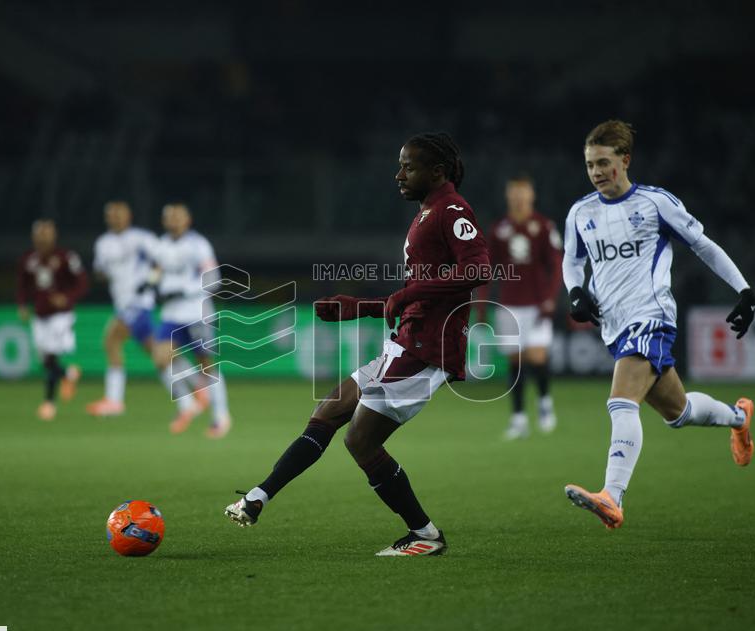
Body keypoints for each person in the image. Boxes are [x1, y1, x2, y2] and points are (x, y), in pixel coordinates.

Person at [224, 133, 489, 556]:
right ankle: (258, 497)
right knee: (327, 412)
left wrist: (403, 298)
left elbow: (479, 269)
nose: (398, 174)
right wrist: (362, 307)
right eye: (400, 165)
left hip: (428, 350)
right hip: (406, 341)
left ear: (436, 172)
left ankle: (424, 535)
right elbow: (419, 293)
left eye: (408, 166)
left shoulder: (452, 209)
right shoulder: (427, 212)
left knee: (361, 441)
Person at [561, 120, 755, 529]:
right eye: (589, 165)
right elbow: (572, 259)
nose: (596, 172)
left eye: (603, 163)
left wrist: (743, 289)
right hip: (615, 326)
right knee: (679, 412)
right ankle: (739, 419)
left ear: (625, 161)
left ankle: (612, 497)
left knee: (621, 402)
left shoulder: (655, 204)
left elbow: (703, 245)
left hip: (651, 317)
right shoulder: (581, 212)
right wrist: (575, 291)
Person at [484, 175, 563, 439]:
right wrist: (481, 300)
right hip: (508, 305)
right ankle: (518, 417)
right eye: (514, 193)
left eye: (523, 193)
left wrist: (551, 298)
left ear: (531, 196)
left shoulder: (543, 226)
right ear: (508, 196)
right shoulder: (499, 229)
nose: (519, 198)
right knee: (515, 362)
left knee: (537, 357)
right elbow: (486, 269)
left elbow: (556, 265)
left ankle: (544, 403)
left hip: (537, 304)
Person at [148, 203, 231, 438]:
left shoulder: (198, 244)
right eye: (169, 216)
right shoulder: (161, 245)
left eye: (178, 216)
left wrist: (183, 290)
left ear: (188, 220)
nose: (173, 220)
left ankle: (221, 416)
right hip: (171, 313)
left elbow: (214, 279)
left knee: (207, 363)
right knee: (160, 357)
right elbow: (156, 270)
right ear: (164, 221)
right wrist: (150, 284)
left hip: (197, 312)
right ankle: (189, 404)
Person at [87, 201, 158, 417]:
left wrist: (150, 281)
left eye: (119, 214)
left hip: (139, 300)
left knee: (111, 341)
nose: (115, 218)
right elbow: (100, 270)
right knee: (155, 350)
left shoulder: (141, 238)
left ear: (128, 216)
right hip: (122, 302)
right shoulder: (103, 243)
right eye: (111, 215)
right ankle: (196, 386)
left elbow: (162, 260)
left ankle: (114, 401)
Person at [16, 219, 88, 420]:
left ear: (54, 236)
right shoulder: (28, 259)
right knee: (44, 361)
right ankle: (68, 374)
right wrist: (22, 305)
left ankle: (49, 404)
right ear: (34, 236)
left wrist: (67, 298)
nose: (43, 238)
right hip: (40, 316)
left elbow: (82, 283)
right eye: (39, 234)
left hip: (61, 316)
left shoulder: (66, 257)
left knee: (50, 357)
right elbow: (22, 285)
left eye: (46, 234)